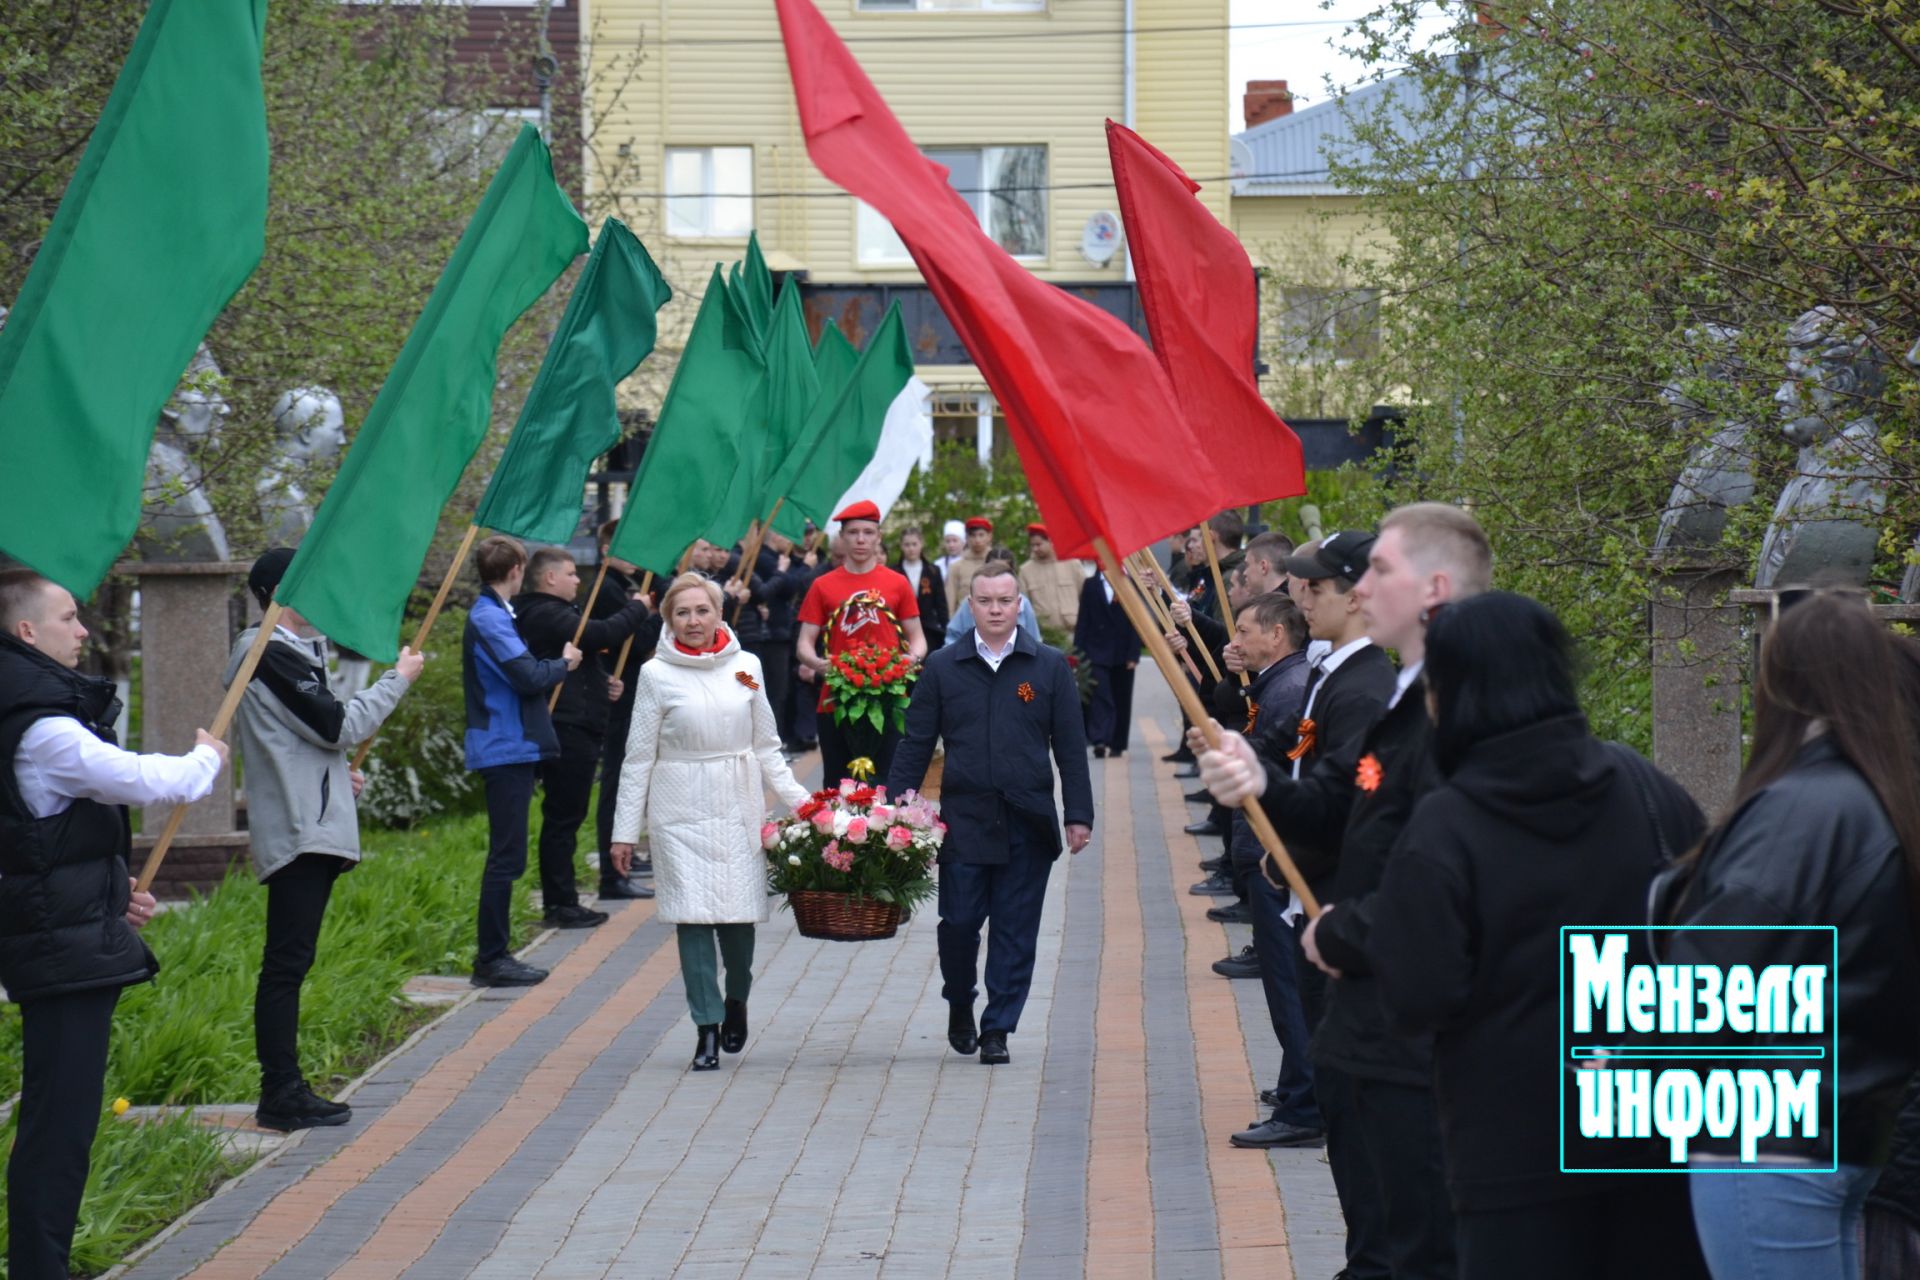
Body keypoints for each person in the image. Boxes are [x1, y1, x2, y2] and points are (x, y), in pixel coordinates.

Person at [1359, 592, 1710, 1280]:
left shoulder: (1446, 827)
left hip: (1509, 1149)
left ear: (1452, 693)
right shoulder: (1645, 787)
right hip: (1651, 1128)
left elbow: (1416, 995)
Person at [1206, 504, 1492, 1280]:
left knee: (1404, 1181)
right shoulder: (1396, 692)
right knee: (1366, 1157)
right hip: (1360, 968)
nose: (1360, 590)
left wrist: (1348, 925)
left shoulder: (1445, 704)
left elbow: (1431, 860)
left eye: (1378, 573)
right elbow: (1348, 796)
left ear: (1433, 589)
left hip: (1397, 988)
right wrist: (1258, 779)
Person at [1654, 590, 1920, 1280]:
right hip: (1847, 1124)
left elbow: (1714, 966)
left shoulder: (1798, 807)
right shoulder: (1881, 801)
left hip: (1768, 1129)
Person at [0, 568, 227, 1278]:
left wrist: (108, 891)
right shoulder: (39, 725)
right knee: (58, 1125)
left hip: (64, 937)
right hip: (58, 955)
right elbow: (136, 778)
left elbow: (45, 842)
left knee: (58, 1120)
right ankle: (39, 1268)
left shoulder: (28, 712)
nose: (84, 630)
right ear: (26, 631)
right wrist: (205, 759)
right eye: (69, 617)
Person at [228, 549, 421, 1132]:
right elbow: (339, 725)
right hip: (297, 832)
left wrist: (337, 776)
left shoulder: (288, 653)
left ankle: (285, 1086)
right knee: (286, 965)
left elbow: (309, 742)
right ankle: (280, 1092)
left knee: (293, 961)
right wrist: (398, 680)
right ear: (281, 590)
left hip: (308, 825)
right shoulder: (265, 651)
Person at [889, 562, 1093, 1065]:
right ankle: (960, 1000)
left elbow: (1070, 746)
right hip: (965, 820)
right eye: (986, 601)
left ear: (1019, 605)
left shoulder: (1047, 667)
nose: (997, 609)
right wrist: (895, 807)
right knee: (957, 924)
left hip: (1028, 822)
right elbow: (917, 742)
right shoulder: (943, 666)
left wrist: (1079, 814)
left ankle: (998, 1027)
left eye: (1005, 600)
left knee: (1015, 930)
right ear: (971, 606)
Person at [608, 574, 808, 1071]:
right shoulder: (656, 675)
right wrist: (624, 832)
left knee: (739, 919)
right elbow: (637, 758)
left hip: (737, 801)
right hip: (679, 805)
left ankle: (736, 998)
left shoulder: (747, 667)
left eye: (702, 611)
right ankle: (706, 1027)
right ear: (668, 619)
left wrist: (805, 803)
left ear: (720, 614)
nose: (693, 621)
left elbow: (766, 745)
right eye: (682, 613)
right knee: (693, 918)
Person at [462, 535, 580, 988]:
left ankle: (495, 954)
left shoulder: (498, 613)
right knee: (506, 857)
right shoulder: (489, 617)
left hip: (511, 746)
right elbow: (528, 675)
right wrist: (563, 663)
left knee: (509, 854)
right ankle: (491, 959)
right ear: (517, 570)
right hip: (502, 746)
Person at [512, 546, 653, 924]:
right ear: (550, 577)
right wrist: (639, 607)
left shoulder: (557, 611)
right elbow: (599, 633)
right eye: (572, 573)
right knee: (562, 817)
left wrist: (602, 681)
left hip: (579, 721)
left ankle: (564, 897)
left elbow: (583, 659)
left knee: (569, 816)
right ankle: (559, 902)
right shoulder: (542, 612)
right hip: (565, 725)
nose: (578, 579)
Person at [795, 500, 927, 788]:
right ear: (842, 537)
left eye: (868, 532)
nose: (861, 539)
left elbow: (918, 638)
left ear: (879, 536)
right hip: (836, 700)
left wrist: (911, 659)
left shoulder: (897, 583)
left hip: (889, 699)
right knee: (838, 786)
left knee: (888, 783)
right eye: (853, 532)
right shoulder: (822, 585)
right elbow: (804, 643)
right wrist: (818, 664)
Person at [589, 522, 664, 896]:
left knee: (627, 781)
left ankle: (621, 862)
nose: (637, 558)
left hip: (631, 692)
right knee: (617, 782)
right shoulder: (606, 589)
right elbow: (637, 642)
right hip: (618, 698)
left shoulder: (622, 586)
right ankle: (611, 873)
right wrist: (657, 616)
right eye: (627, 549)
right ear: (606, 551)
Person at [1073, 562, 1142, 758]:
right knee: (1100, 695)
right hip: (1095, 650)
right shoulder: (1091, 584)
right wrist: (1078, 653)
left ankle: (1118, 743)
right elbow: (1083, 619)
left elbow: (1136, 621)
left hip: (1122, 651)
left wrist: (1133, 653)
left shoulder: (1128, 584)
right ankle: (1100, 739)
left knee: (1121, 697)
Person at [946, 547, 1042, 648]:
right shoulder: (969, 602)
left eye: (1005, 601)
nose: (995, 610)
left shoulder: (1024, 604)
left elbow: (1034, 640)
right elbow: (952, 637)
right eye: (984, 601)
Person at [1017, 523, 1084, 634]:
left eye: (1039, 544)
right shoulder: (1025, 570)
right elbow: (1022, 605)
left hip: (1073, 631)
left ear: (1050, 541)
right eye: (1032, 545)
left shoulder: (1072, 563)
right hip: (1043, 634)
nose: (1035, 549)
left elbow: (1085, 596)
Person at [893, 525, 948, 643]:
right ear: (901, 546)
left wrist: (945, 628)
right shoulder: (894, 572)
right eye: (907, 545)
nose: (911, 548)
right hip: (902, 629)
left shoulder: (933, 571)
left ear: (921, 544)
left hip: (930, 629)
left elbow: (941, 604)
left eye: (914, 544)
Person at [944, 516, 994, 616]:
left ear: (989, 536)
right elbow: (950, 602)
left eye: (981, 535)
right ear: (966, 537)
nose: (977, 540)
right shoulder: (956, 567)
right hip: (965, 622)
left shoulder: (997, 563)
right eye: (973, 535)